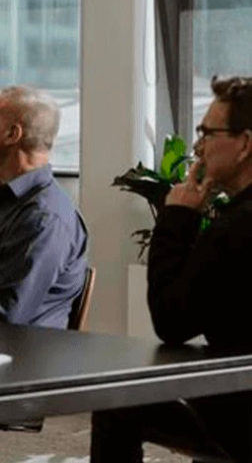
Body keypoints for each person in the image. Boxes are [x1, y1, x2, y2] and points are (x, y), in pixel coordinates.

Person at [92, 76, 252, 461]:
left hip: (243, 412)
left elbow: (172, 320)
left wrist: (176, 218)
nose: (197, 146)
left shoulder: (236, 227)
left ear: (245, 143)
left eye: (207, 133)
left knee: (115, 400)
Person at [0, 85, 88, 328]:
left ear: (12, 135)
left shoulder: (44, 217)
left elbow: (4, 311)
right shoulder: (4, 201)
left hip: (19, 358)